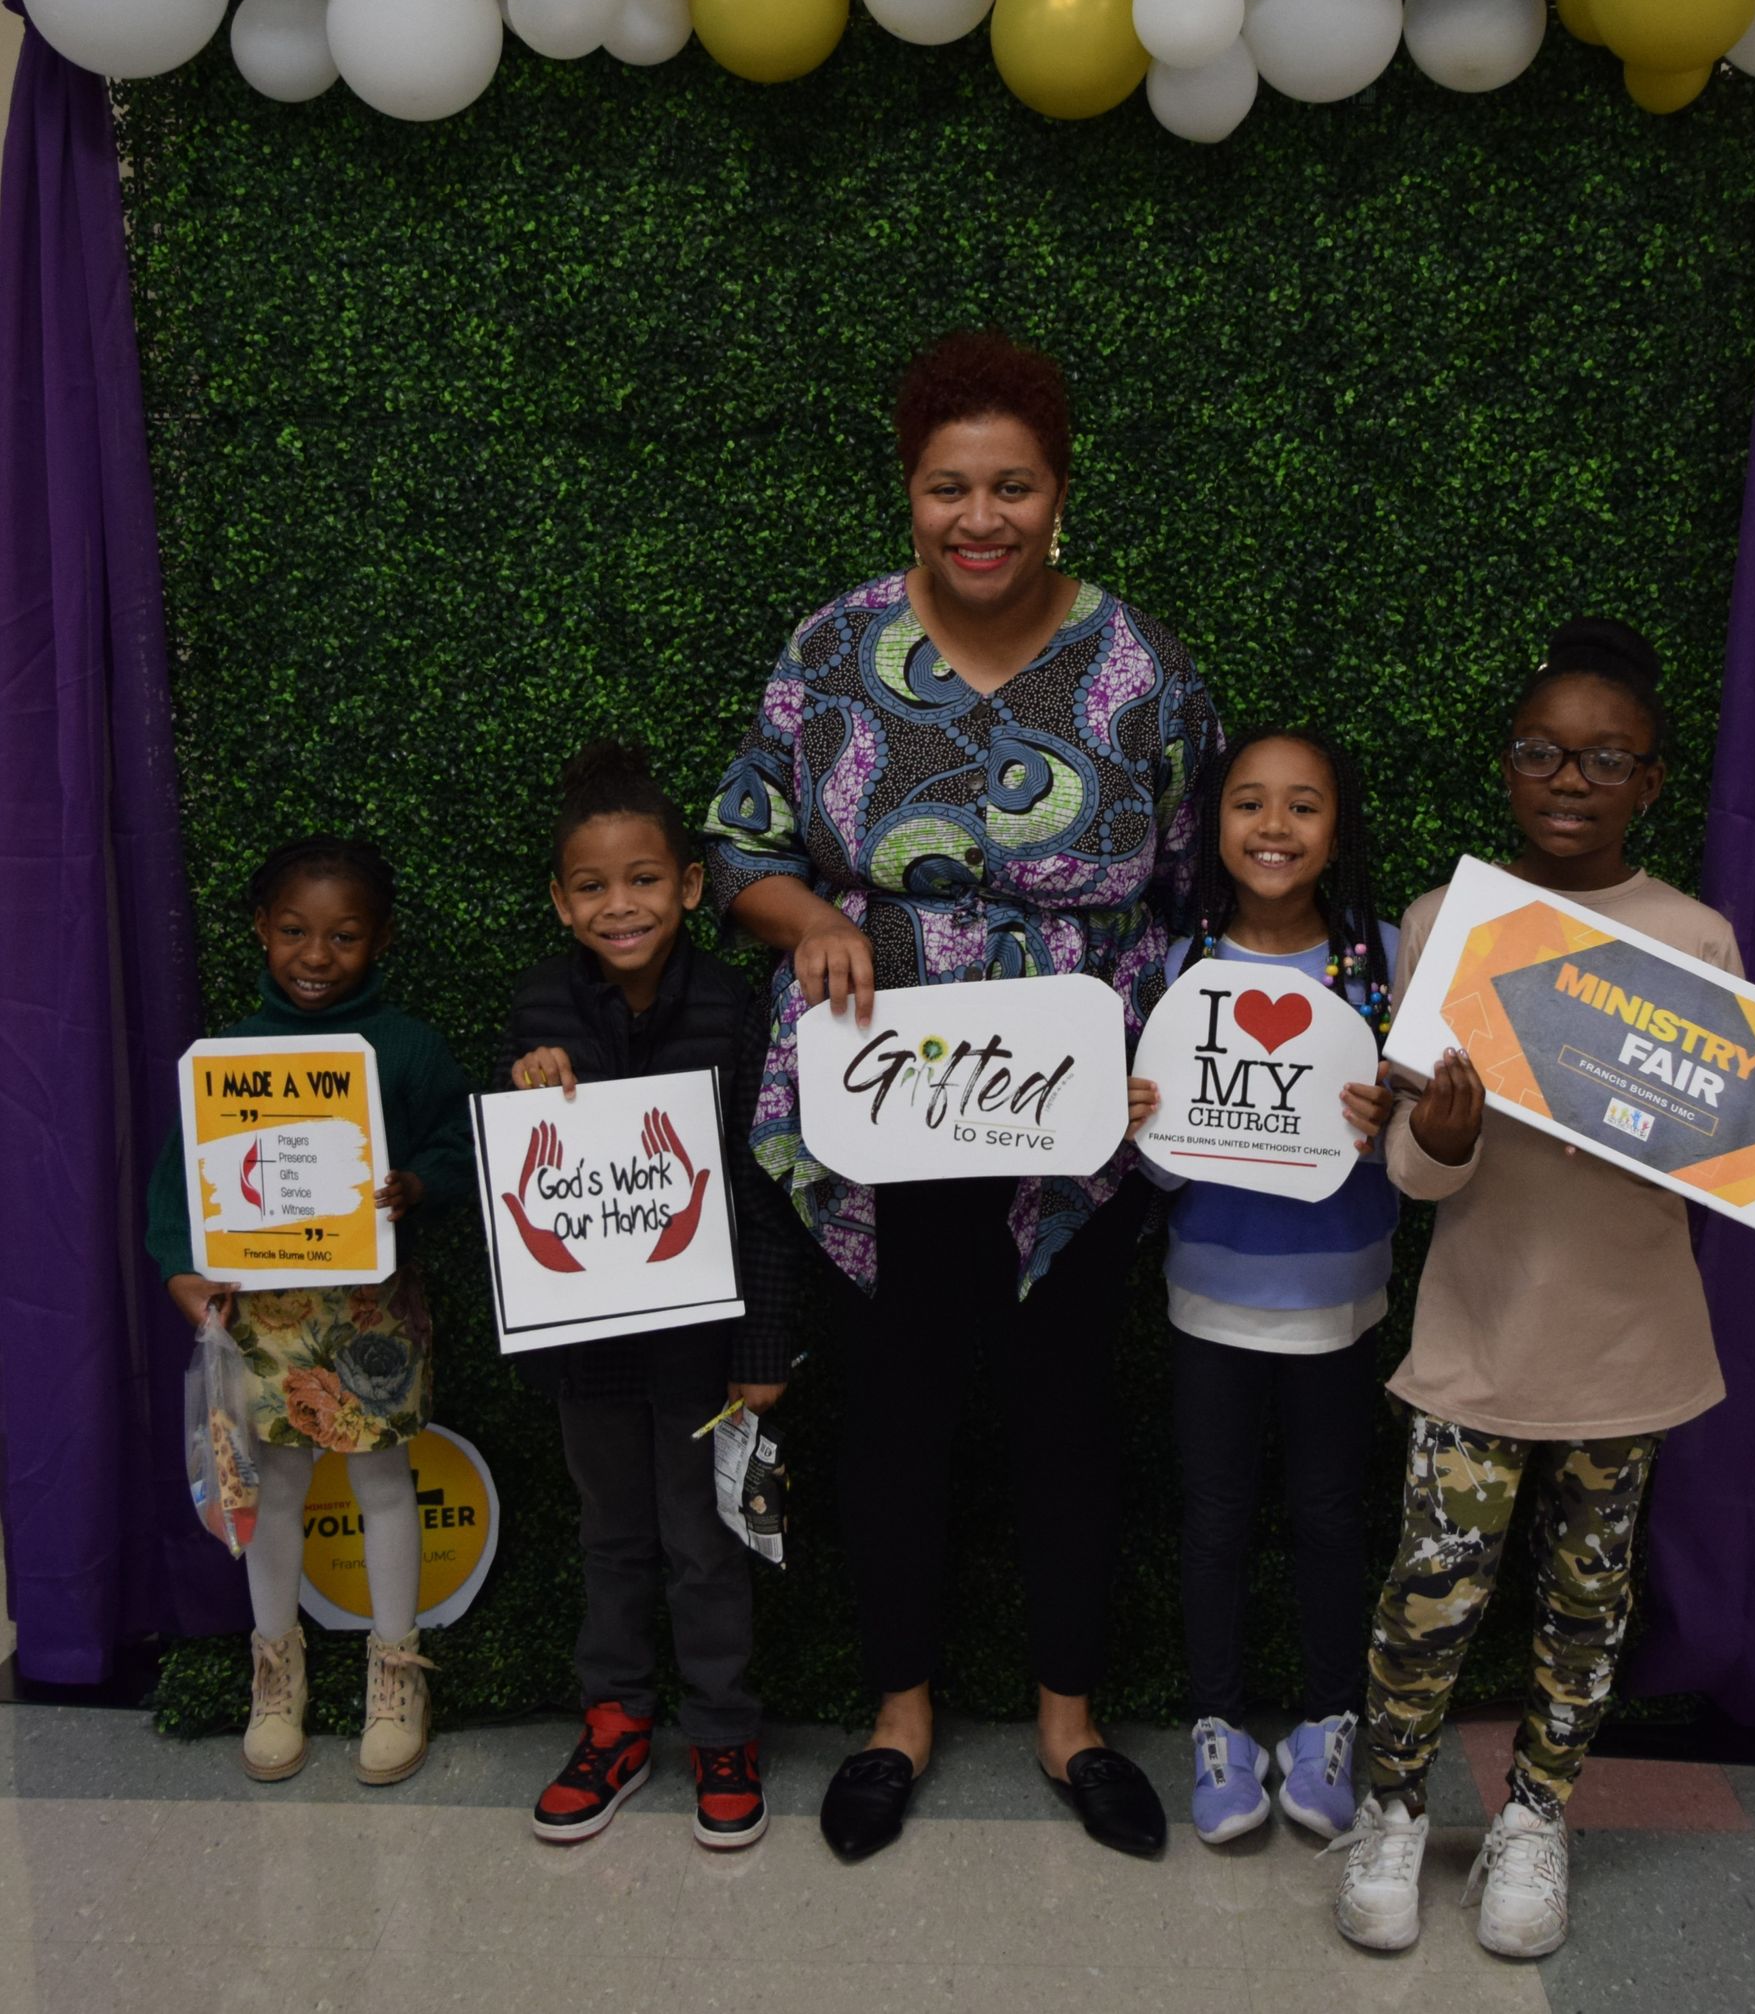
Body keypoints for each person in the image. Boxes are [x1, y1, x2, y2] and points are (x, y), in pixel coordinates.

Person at [706, 329, 1219, 1863]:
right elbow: (739, 848)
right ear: (909, 490)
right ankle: (900, 1715)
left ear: (1059, 492)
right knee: (895, 1411)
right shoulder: (832, 649)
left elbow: (1195, 887)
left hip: (1075, 1115)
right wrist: (815, 916)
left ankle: (1071, 1721)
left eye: (1012, 486)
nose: (979, 517)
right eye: (949, 487)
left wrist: (1160, 1049)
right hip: (882, 1101)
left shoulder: (1139, 667)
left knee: (1069, 1411)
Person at [1333, 617, 1739, 1962]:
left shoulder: (1696, 937)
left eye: (1606, 758)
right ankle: (1392, 1808)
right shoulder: (1446, 923)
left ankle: (1536, 1819)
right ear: (1508, 767)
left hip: (1627, 1344)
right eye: (1542, 753)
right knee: (1432, 1584)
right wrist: (1443, 1135)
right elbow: (1411, 1170)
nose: (1571, 780)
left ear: (1651, 781)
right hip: (1479, 1330)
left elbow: (1727, 1157)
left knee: (1586, 1603)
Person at [498, 740, 809, 1852]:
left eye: (643, 880)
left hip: (704, 1348)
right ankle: (617, 1722)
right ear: (561, 900)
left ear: (688, 885)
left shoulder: (736, 1005)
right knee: (612, 1538)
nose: (619, 905)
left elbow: (769, 1189)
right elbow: (522, 1176)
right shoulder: (539, 1003)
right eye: (592, 886)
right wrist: (528, 1088)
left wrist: (762, 1348)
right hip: (587, 1345)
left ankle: (723, 1732)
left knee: (706, 1543)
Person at [148, 837, 472, 1786]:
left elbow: (458, 1148)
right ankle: (275, 1675)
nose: (316, 955)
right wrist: (179, 1270)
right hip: (261, 1314)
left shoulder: (408, 1047)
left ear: (381, 940)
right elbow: (177, 1182)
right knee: (273, 1490)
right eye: (294, 931)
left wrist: (419, 1185)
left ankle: (397, 1673)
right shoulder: (224, 1058)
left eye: (344, 936)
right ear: (262, 929)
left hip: (371, 1313)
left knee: (384, 1484)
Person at [1126, 726, 1397, 1848]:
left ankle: (1332, 1720)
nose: (1274, 826)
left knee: (1334, 1515)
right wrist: (1140, 1127)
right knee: (1216, 1519)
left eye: (1303, 805)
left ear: (1338, 830)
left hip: (1342, 1294)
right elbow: (1156, 1164)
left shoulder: (1383, 962)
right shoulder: (1175, 970)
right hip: (1211, 1293)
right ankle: (1220, 1723)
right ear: (1213, 825)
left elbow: (1423, 1146)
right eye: (1248, 803)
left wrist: (1394, 1124)